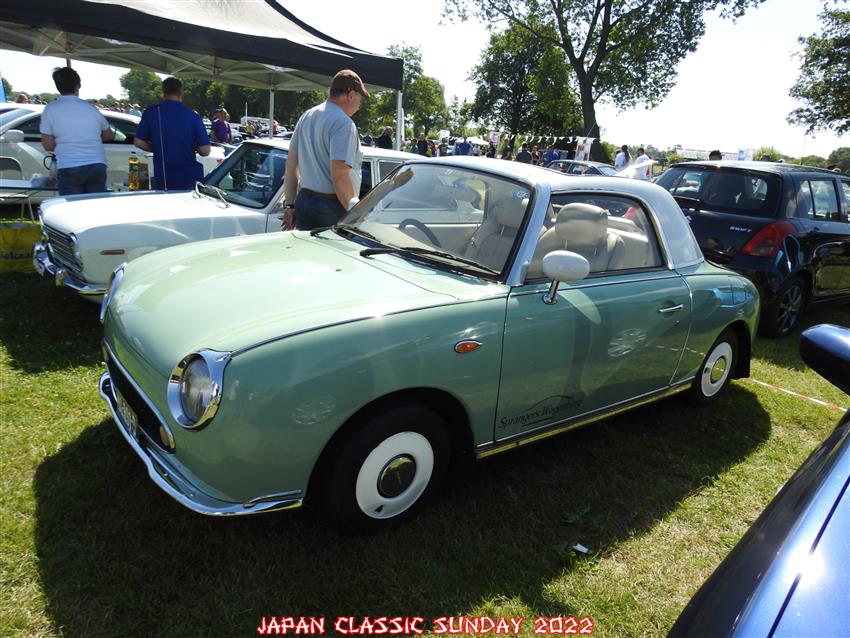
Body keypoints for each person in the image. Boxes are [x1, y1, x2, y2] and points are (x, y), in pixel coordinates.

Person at [280, 69, 368, 231]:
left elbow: (291, 165)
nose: (358, 106)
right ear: (350, 95)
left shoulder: (307, 116)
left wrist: (290, 205)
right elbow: (340, 176)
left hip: (304, 201)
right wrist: (355, 215)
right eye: (359, 100)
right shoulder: (344, 123)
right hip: (331, 206)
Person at [39, 66, 114, 196]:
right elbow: (109, 135)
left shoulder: (50, 109)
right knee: (95, 205)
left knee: (72, 207)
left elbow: (48, 145)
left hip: (68, 165)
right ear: (78, 85)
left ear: (57, 87)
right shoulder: (91, 108)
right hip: (97, 163)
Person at [134, 77, 211, 191]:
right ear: (181, 92)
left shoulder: (151, 112)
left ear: (163, 92)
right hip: (190, 178)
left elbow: (138, 142)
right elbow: (205, 151)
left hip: (164, 177)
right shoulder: (193, 116)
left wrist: (157, 147)